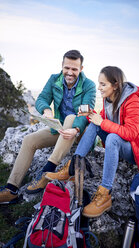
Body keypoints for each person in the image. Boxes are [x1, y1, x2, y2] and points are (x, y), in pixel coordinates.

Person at [45, 66, 139, 218]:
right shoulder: (109, 98)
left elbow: (131, 133)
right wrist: (91, 114)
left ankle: (105, 193)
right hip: (122, 142)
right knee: (94, 124)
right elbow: (103, 118)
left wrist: (101, 122)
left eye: (103, 84)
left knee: (111, 137)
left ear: (115, 85)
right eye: (99, 83)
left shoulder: (133, 101)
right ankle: (73, 165)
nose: (99, 88)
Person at [0, 50, 96, 204]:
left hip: (80, 132)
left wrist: (76, 129)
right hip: (61, 129)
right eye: (67, 68)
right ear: (62, 66)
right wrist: (46, 110)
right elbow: (42, 98)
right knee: (29, 140)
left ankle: (47, 171)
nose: (70, 72)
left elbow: (85, 113)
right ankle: (11, 189)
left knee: (72, 117)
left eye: (74, 69)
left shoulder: (89, 85)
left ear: (81, 69)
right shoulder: (54, 79)